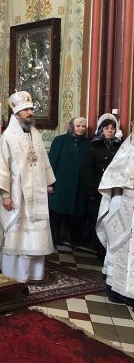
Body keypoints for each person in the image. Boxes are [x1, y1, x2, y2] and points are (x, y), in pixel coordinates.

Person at [0, 91, 55, 283]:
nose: (30, 113)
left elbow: (43, 161)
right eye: (26, 110)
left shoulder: (35, 134)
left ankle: (34, 273)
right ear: (16, 114)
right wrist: (5, 195)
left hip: (36, 194)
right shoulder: (7, 137)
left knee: (36, 232)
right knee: (17, 235)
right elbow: (1, 168)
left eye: (31, 109)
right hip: (17, 193)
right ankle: (15, 273)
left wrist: (47, 183)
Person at [96, 132, 134, 305]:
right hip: (127, 204)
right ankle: (118, 290)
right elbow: (115, 171)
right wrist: (117, 196)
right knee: (120, 244)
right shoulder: (129, 144)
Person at [82, 114, 121, 253]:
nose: (110, 130)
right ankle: (98, 246)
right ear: (101, 130)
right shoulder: (94, 145)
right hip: (97, 187)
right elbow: (87, 169)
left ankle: (108, 248)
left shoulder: (119, 146)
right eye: (107, 128)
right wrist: (91, 190)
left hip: (114, 188)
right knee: (98, 216)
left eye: (113, 128)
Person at [48, 117, 90, 246]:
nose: (81, 128)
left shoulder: (87, 143)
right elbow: (52, 163)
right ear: (72, 126)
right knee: (57, 211)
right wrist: (49, 183)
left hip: (78, 185)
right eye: (78, 126)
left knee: (74, 211)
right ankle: (54, 235)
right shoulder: (60, 140)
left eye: (83, 126)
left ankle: (69, 236)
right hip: (61, 183)